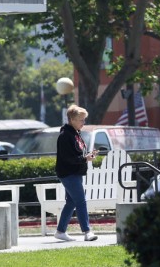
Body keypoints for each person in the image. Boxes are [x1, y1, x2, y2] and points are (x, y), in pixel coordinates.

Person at [54, 104, 98, 242]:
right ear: (72, 119)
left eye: (84, 120)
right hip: (68, 174)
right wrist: (85, 158)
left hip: (75, 173)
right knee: (81, 201)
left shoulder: (75, 133)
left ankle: (60, 231)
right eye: (81, 120)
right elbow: (68, 158)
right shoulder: (65, 135)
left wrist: (88, 155)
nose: (83, 123)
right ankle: (87, 231)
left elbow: (77, 153)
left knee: (72, 202)